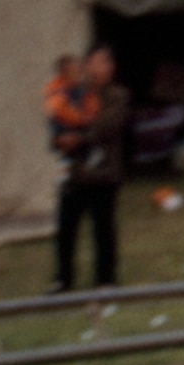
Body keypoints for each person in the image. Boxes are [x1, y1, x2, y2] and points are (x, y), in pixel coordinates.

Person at [47, 46, 129, 291]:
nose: (95, 69)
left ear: (111, 67)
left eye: (100, 63)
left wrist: (79, 137)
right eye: (90, 63)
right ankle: (63, 279)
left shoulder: (118, 95)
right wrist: (59, 139)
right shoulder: (73, 94)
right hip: (75, 172)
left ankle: (106, 279)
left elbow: (107, 125)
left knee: (103, 228)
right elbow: (56, 122)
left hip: (104, 171)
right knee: (66, 228)